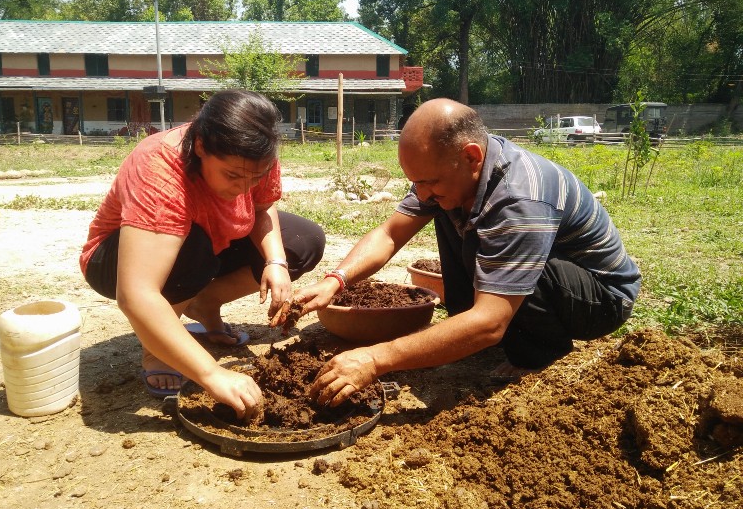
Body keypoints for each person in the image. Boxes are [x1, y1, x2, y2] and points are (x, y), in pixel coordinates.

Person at [289, 98, 641, 407]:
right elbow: (389, 234)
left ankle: (542, 352)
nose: (421, 193)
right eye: (416, 182)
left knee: (499, 295)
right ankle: (472, 325)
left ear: (471, 156)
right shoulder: (454, 174)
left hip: (599, 297)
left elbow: (489, 323)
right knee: (445, 207)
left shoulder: (520, 198)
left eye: (429, 182)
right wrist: (336, 280)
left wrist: (376, 358)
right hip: (553, 275)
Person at [80, 89, 325, 419]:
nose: (244, 187)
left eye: (255, 177)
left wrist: (276, 261)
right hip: (116, 260)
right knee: (195, 247)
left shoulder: (255, 151)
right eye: (233, 176)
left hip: (210, 240)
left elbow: (263, 206)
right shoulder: (161, 168)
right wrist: (211, 373)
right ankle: (157, 351)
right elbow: (136, 292)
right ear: (200, 148)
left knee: (302, 241)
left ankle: (204, 304)